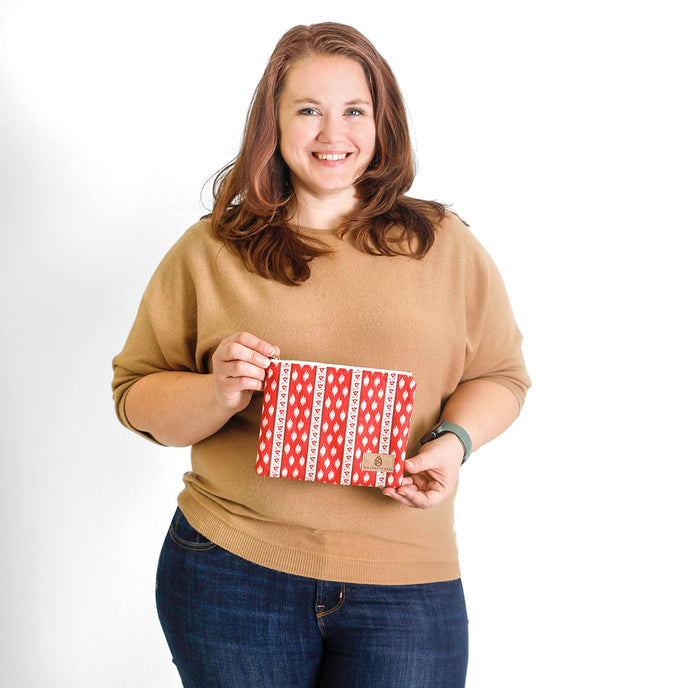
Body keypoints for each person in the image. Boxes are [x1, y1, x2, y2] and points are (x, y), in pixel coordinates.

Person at [112, 22, 530, 688]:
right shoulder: (212, 250)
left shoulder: (443, 245)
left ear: (381, 122)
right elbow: (136, 397)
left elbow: (500, 376)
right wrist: (216, 391)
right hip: (232, 568)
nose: (333, 134)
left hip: (406, 583)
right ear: (272, 126)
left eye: (353, 111)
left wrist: (452, 444)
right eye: (308, 110)